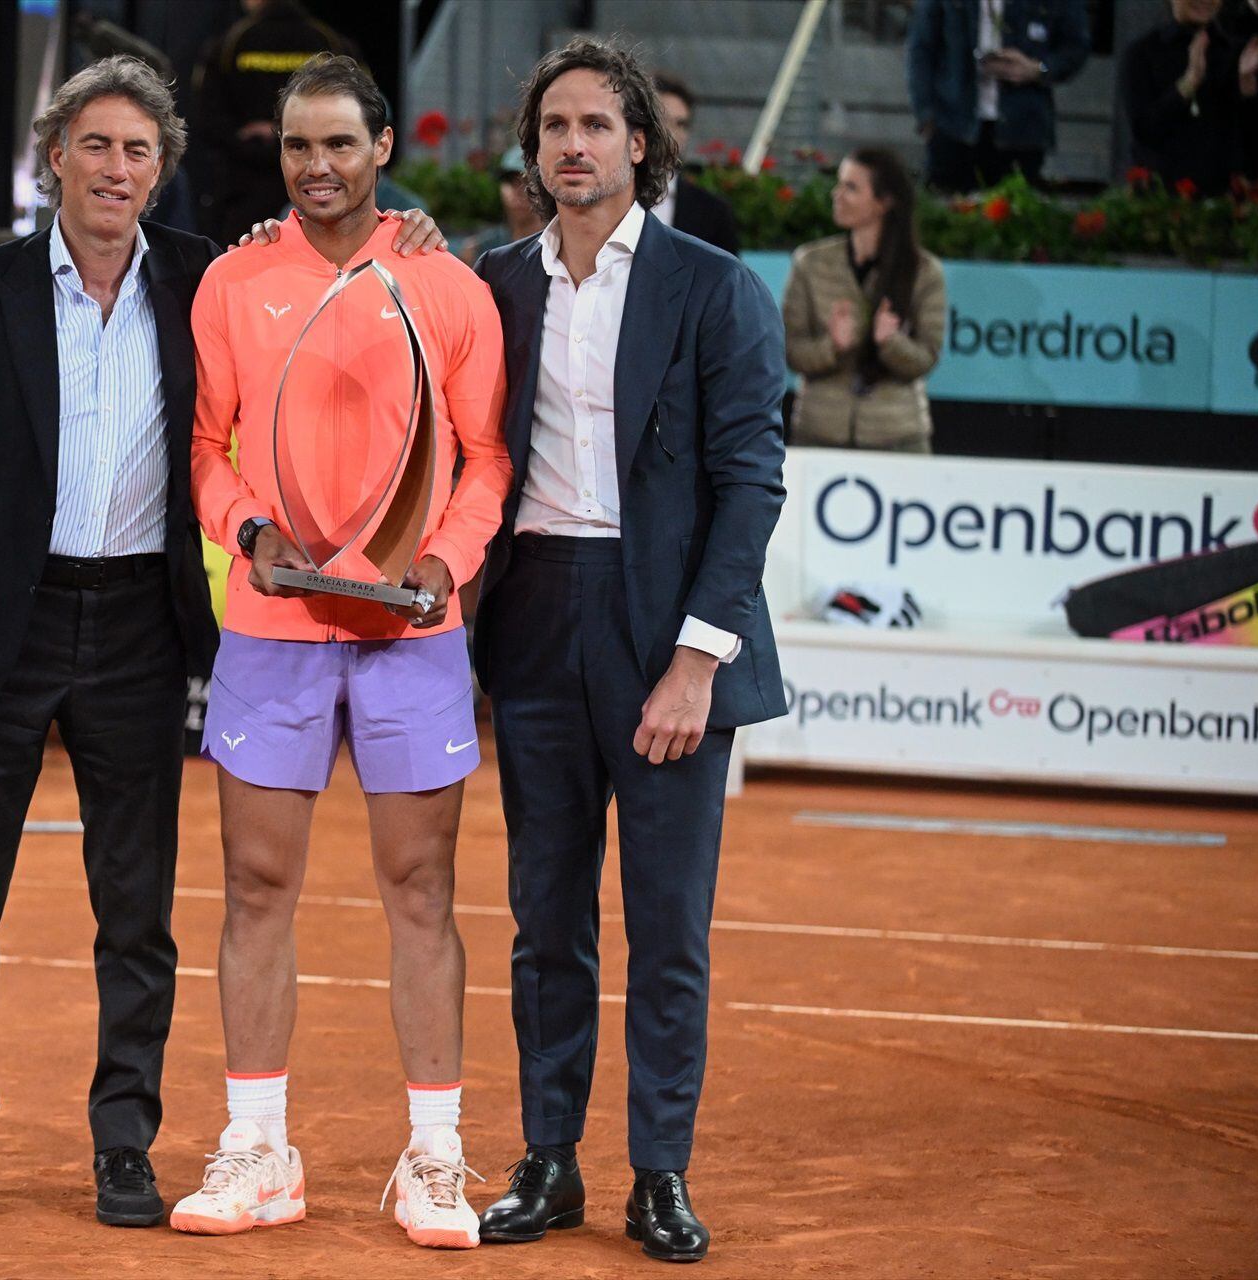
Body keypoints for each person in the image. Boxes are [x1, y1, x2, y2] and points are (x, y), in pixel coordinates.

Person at [0, 54, 442, 1231]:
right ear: (55, 154)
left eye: (139, 151)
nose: (117, 169)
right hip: (0, 632)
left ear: (162, 170)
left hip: (142, 623)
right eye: (96, 144)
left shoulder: (203, 279)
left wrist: (413, 234)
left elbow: (321, 269)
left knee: (134, 908)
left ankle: (122, 1142)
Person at [174, 52, 510, 1250]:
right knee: (255, 888)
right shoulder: (230, 281)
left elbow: (488, 459)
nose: (315, 168)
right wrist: (246, 530)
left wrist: (447, 562)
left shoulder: (447, 284)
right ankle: (259, 1147)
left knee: (420, 890)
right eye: (295, 148)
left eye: (337, 145)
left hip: (413, 634)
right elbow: (206, 446)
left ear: (382, 151)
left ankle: (435, 1159)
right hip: (273, 628)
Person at [469, 38, 786, 1264]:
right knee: (544, 915)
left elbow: (750, 484)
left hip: (666, 634)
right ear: (534, 146)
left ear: (639, 143)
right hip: (538, 611)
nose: (573, 145)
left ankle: (660, 1171)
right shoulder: (497, 284)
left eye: (597, 124)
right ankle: (550, 1158)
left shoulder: (715, 287)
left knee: (667, 923)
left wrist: (698, 661)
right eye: (554, 125)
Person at [781, 149, 945, 452]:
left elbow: (927, 357)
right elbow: (790, 351)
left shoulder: (924, 271)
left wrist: (891, 343)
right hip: (819, 436)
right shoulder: (810, 263)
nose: (837, 194)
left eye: (851, 187)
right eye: (839, 184)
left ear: (884, 202)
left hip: (897, 439)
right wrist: (832, 346)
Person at [188, 0, 361, 244]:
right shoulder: (331, 42)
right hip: (324, 193)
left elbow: (206, 120)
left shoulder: (229, 43)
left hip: (244, 194)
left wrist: (263, 137)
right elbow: (364, 114)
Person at [906, 0, 1090, 191]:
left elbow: (1076, 47)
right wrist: (925, 115)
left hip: (1022, 128)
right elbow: (920, 49)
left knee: (1012, 213)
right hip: (953, 124)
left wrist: (1037, 69)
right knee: (949, 209)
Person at [1120, 0, 1258, 193]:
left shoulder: (1241, 54)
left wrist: (1247, 85)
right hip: (1161, 200)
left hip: (1223, 201)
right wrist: (1189, 82)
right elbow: (1144, 130)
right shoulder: (1142, 53)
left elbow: (1257, 140)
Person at [651, 73, 741, 255]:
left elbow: (728, 279)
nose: (672, 132)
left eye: (681, 123)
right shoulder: (609, 200)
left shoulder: (713, 212)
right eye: (663, 120)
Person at [458, 146, 547, 266]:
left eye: (528, 181)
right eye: (510, 181)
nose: (519, 190)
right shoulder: (481, 249)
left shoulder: (560, 247)